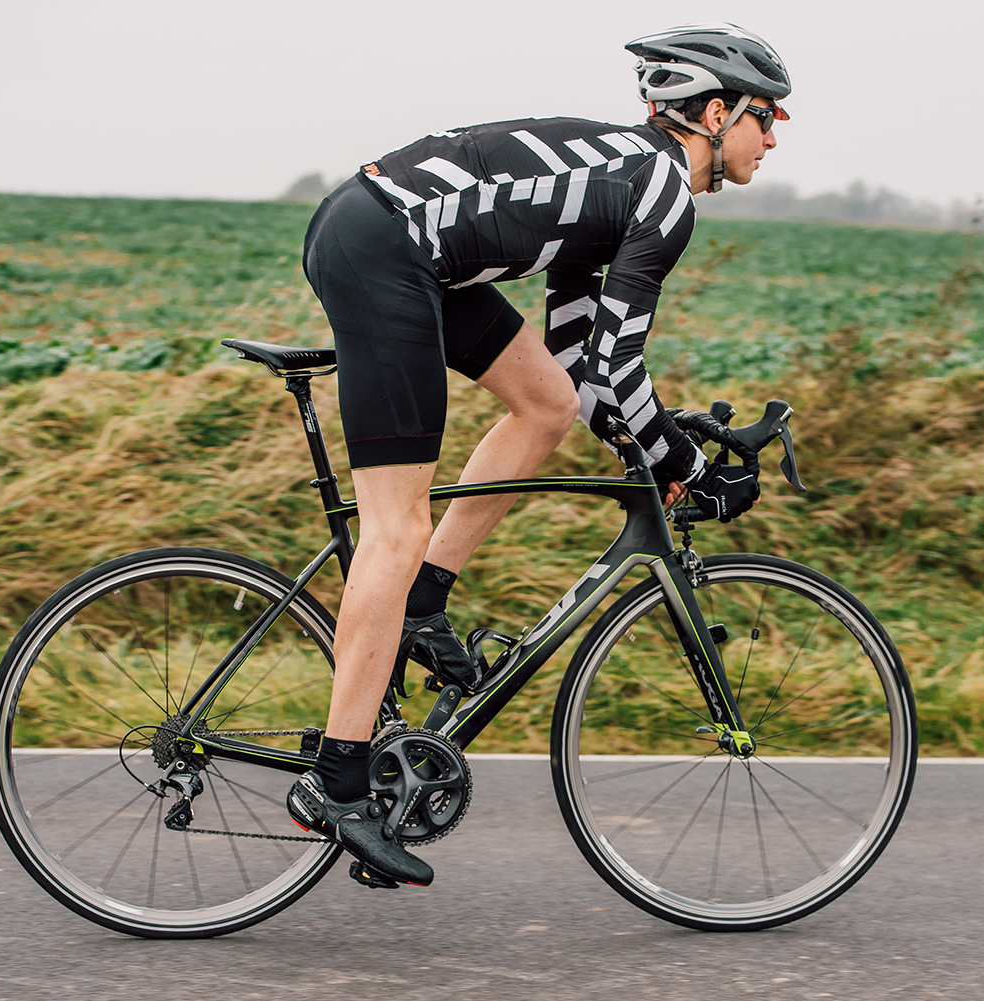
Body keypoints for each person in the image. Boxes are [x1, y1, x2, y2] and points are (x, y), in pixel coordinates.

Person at [285, 23, 791, 887]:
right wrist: (687, 468)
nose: (774, 135)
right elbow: (618, 367)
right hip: (388, 251)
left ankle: (424, 601)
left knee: (543, 403)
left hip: (399, 242)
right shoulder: (662, 189)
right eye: (766, 115)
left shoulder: (627, 182)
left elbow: (583, 369)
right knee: (393, 529)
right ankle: (338, 780)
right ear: (715, 112)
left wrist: (660, 438)